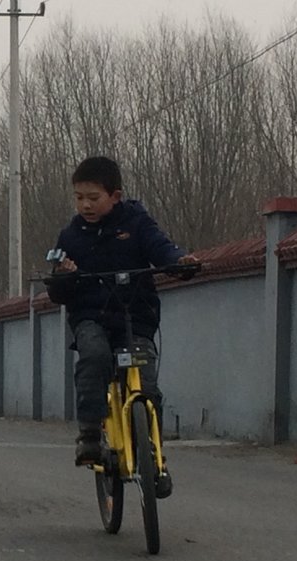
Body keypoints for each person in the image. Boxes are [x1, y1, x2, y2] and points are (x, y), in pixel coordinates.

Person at [45, 156, 200, 467]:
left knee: (147, 383)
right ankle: (89, 434)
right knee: (94, 357)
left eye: (93, 198)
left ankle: (152, 451)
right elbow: (58, 293)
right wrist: (64, 275)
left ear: (115, 196)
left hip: (135, 316)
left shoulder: (137, 223)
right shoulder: (70, 236)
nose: (85, 205)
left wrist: (181, 263)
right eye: (79, 198)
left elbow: (162, 249)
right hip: (91, 317)